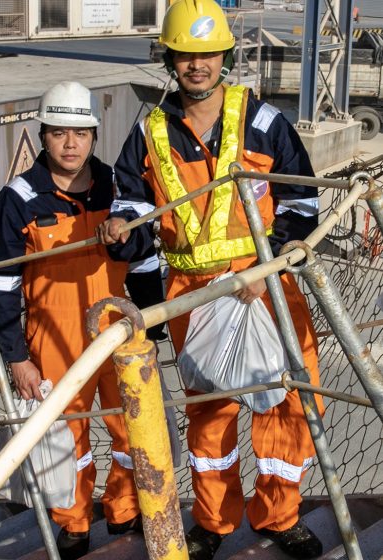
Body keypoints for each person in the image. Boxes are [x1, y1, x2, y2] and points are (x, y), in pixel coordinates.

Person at [99, 1, 325, 559]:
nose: (197, 65)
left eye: (207, 53)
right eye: (185, 54)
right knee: (209, 411)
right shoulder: (149, 132)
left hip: (266, 287)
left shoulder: (264, 121)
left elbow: (303, 203)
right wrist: (121, 233)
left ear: (224, 54)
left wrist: (262, 267)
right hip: (191, 293)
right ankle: (214, 522)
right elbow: (132, 212)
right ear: (169, 59)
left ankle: (279, 517)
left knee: (285, 404)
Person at [0, 81, 164, 560]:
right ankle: (75, 524)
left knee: (133, 427)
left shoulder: (119, 187)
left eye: (80, 133)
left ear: (94, 136)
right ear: (42, 136)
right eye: (59, 133)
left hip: (119, 332)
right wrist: (16, 358)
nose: (70, 144)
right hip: (55, 341)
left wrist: (154, 322)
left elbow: (144, 259)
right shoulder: (17, 201)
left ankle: (126, 509)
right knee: (67, 438)